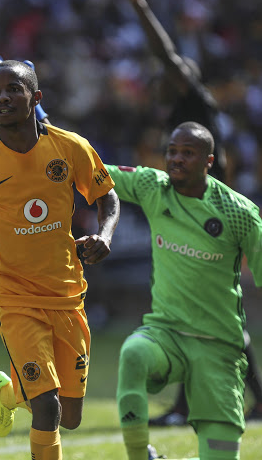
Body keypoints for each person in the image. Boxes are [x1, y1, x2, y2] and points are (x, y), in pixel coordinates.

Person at [0, 59, 120, 460]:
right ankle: (28, 396)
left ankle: (6, 393)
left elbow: (107, 195)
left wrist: (105, 235)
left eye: (13, 89)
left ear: (35, 97)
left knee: (70, 416)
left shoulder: (70, 147)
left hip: (67, 294)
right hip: (15, 297)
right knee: (47, 406)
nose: (2, 97)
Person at [121, 0, 262, 426]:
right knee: (209, 308)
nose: (160, 80)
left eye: (169, 75)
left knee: (199, 308)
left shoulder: (194, 101)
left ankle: (191, 406)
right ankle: (219, 401)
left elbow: (166, 55)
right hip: (201, 208)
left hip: (210, 212)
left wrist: (140, 6)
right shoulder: (181, 113)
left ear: (184, 77)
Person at [105, 121, 262, 460]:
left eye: (187, 153)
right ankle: (138, 456)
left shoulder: (240, 214)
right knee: (133, 353)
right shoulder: (153, 186)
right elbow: (93, 171)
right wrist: (50, 141)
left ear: (209, 160)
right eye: (172, 151)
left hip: (219, 347)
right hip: (167, 334)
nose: (176, 159)